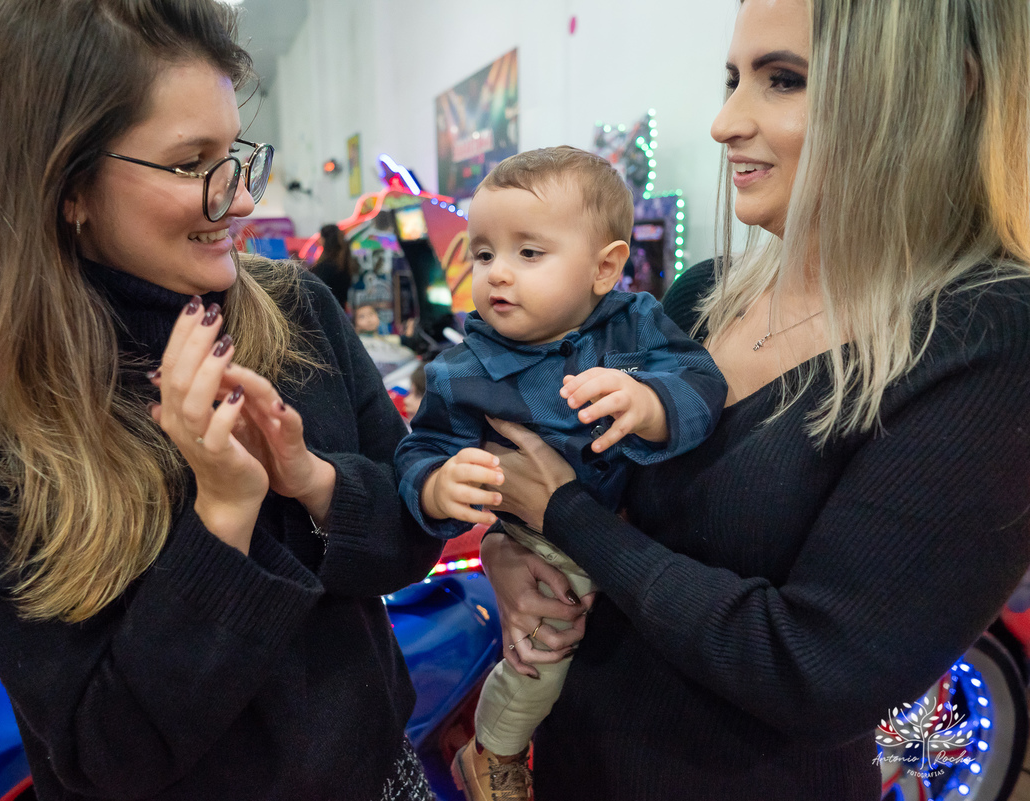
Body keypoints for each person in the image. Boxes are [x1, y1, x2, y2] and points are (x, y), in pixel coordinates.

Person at [478, 0, 1030, 799]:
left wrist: (567, 517)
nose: (725, 121)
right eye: (733, 77)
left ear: (938, 92)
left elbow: (816, 670)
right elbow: (567, 463)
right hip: (581, 761)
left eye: (784, 80)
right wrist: (511, 549)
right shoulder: (702, 296)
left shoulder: (988, 337)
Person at [0, 1, 442, 799]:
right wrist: (224, 518)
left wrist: (316, 483)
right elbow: (105, 755)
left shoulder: (298, 309)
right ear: (67, 184)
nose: (238, 201)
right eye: (194, 162)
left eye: (234, 152)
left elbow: (414, 538)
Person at [394, 147, 726, 801]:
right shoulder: (464, 372)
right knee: (545, 642)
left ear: (605, 267)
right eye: (483, 253)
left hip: (649, 535)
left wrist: (652, 402)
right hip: (548, 544)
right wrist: (437, 483)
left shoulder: (638, 326)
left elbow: (700, 381)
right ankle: (496, 749)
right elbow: (420, 449)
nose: (497, 275)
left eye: (529, 253)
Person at [312, 222, 358, 310]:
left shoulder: (325, 267)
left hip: (327, 312)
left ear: (325, 240)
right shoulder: (345, 263)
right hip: (341, 312)